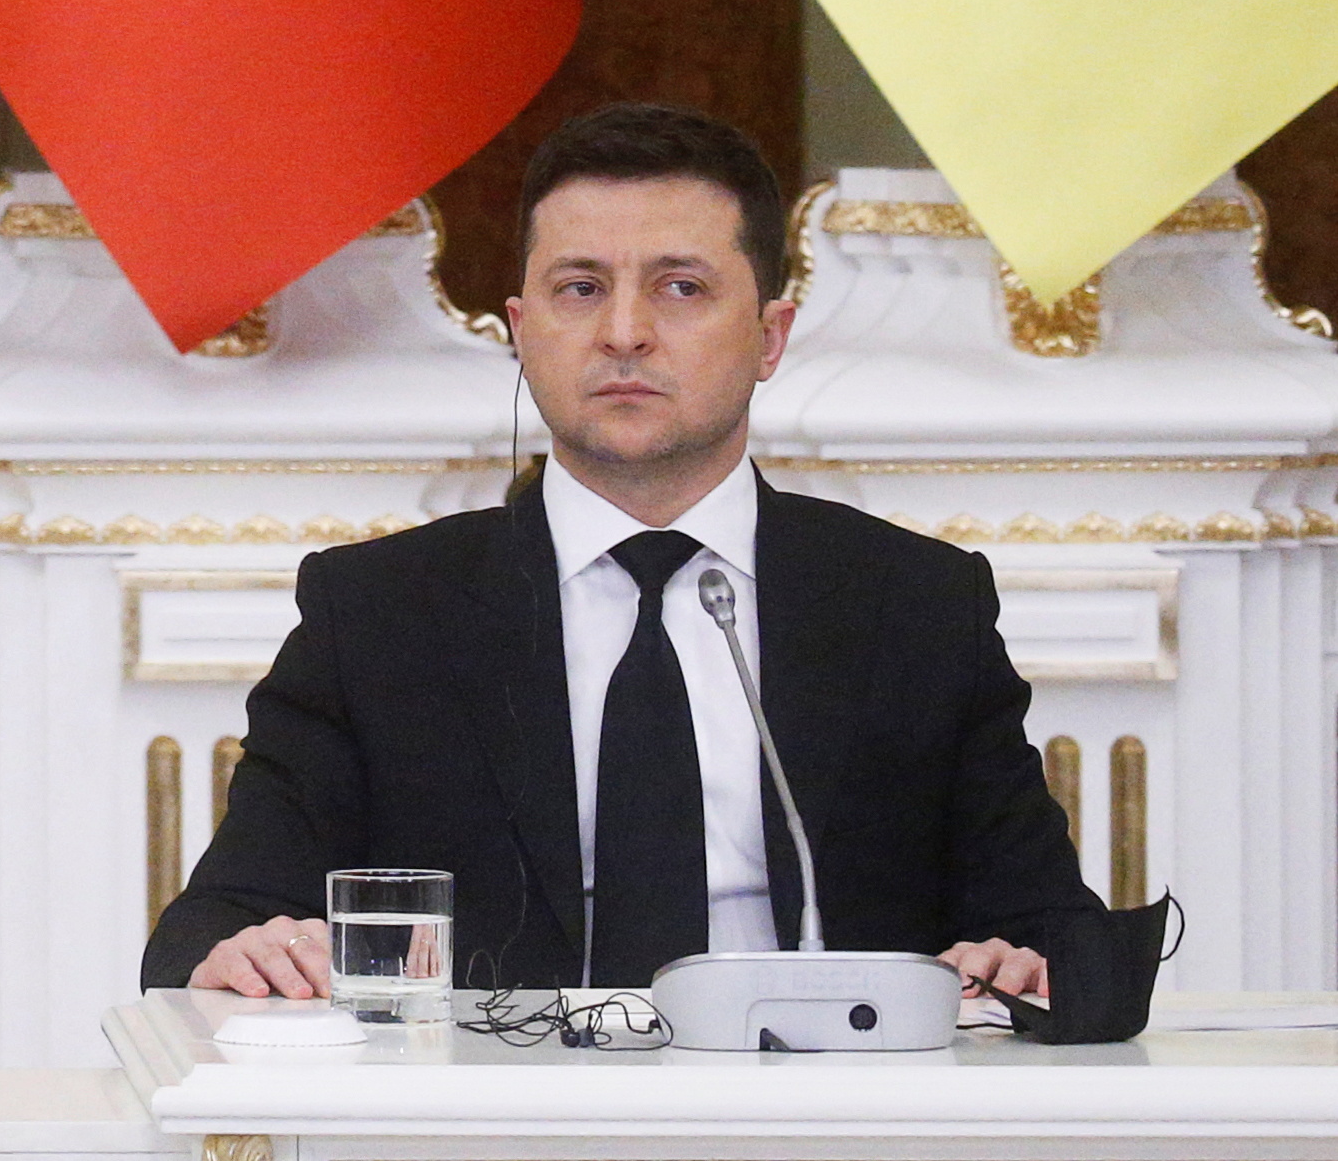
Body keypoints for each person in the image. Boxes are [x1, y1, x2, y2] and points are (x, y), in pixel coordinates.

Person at [146, 102, 1103, 1002]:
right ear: (522, 332)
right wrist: (249, 952)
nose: (623, 332)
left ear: (770, 336)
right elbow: (212, 923)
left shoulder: (914, 603)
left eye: (680, 287)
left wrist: (1014, 960)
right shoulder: (380, 611)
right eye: (580, 288)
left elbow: (1045, 923)